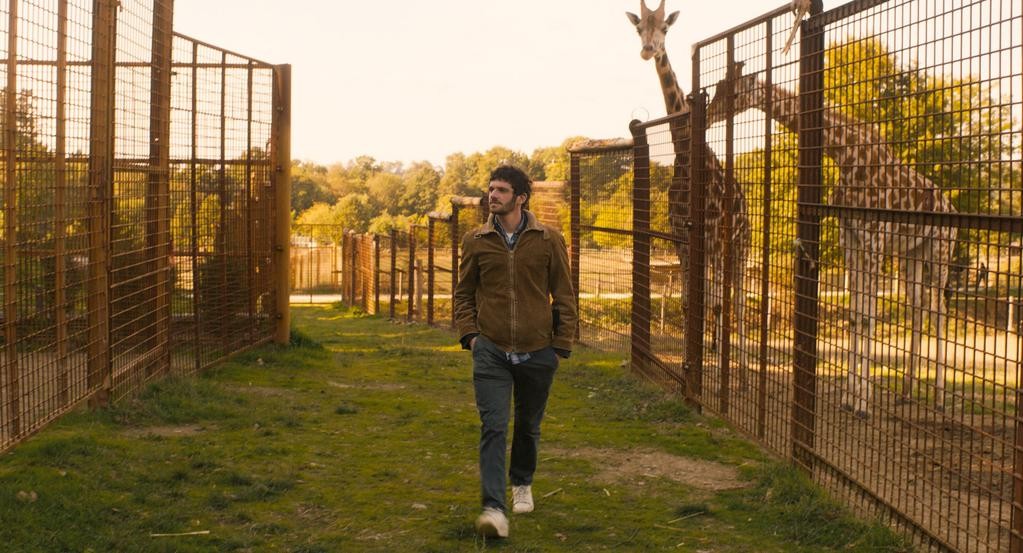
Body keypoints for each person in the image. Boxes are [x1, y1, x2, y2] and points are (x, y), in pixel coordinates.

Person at [453, 165, 577, 539]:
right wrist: (472, 336)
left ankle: (521, 481)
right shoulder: (476, 240)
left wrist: (560, 346)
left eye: (502, 190)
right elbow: (463, 293)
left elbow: (565, 295)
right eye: (491, 189)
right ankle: (493, 508)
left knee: (528, 425)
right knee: (493, 427)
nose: (493, 195)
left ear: (520, 197)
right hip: (490, 349)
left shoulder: (548, 239)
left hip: (538, 350)